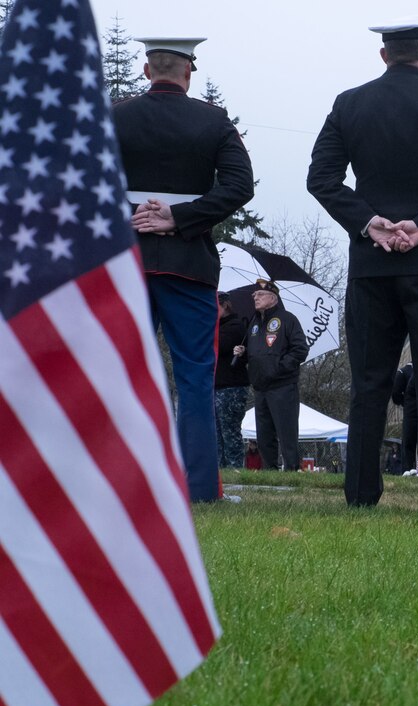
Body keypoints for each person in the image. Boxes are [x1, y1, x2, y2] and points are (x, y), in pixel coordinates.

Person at [307, 16, 418, 510]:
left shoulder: (350, 104)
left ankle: (361, 494)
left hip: (372, 265)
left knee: (368, 381)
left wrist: (370, 222)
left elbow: (321, 178)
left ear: (383, 55)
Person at [113, 37, 255, 502]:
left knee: (123, 375)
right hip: (188, 266)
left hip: (126, 263)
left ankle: (122, 483)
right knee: (195, 379)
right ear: (188, 71)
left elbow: (81, 182)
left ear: (146, 68)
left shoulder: (114, 116)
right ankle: (198, 491)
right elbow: (239, 186)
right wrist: (179, 218)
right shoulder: (213, 120)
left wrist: (135, 215)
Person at [232, 280, 309, 470]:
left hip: (282, 385)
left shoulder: (288, 320)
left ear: (273, 298)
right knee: (264, 434)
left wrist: (278, 368)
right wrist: (242, 354)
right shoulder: (254, 323)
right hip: (260, 386)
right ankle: (270, 471)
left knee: (286, 431)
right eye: (254, 295)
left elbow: (300, 350)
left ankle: (291, 469)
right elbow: (254, 355)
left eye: (259, 294)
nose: (255, 298)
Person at [214, 292, 249, 468]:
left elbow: (218, 345)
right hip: (217, 386)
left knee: (229, 431)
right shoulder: (218, 326)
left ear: (225, 306)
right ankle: (221, 470)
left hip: (231, 388)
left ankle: (235, 468)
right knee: (217, 433)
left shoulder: (235, 327)